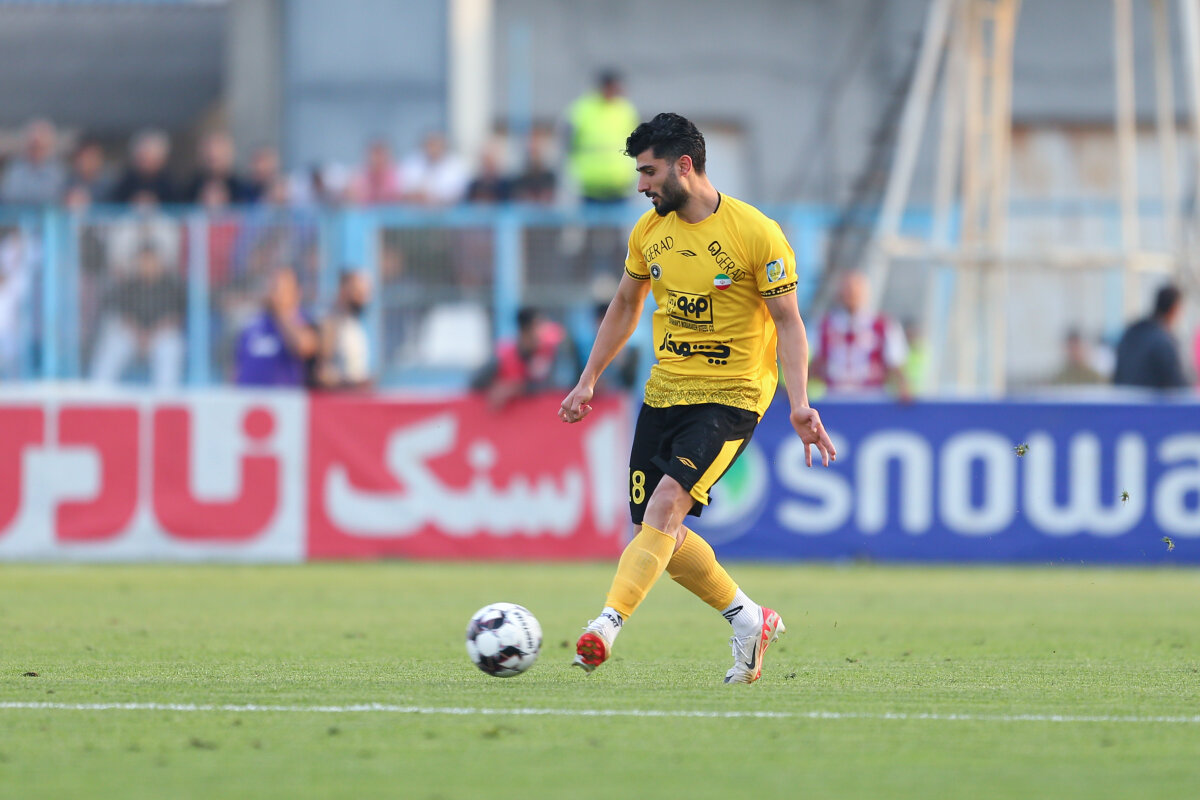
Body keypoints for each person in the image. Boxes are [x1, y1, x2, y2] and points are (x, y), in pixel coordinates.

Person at [558, 113, 836, 684]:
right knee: (657, 531)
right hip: (665, 391)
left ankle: (606, 625)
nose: (641, 185)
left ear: (684, 166)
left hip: (733, 395)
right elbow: (626, 305)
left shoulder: (756, 233)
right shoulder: (648, 232)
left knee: (665, 506)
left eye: (649, 172)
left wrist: (799, 402)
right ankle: (749, 619)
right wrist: (589, 378)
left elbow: (788, 321)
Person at [89, 244, 186, 388]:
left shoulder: (171, 285)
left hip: (160, 335)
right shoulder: (130, 285)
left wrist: (151, 334)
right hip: (133, 335)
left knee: (171, 346)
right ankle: (99, 390)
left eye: (151, 260)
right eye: (144, 261)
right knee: (114, 342)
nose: (148, 265)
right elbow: (123, 314)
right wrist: (140, 334)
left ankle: (166, 396)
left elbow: (175, 317)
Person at [811, 270, 911, 400]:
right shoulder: (824, 325)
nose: (852, 294)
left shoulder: (883, 325)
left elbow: (895, 363)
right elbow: (816, 363)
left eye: (856, 290)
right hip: (835, 398)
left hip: (872, 399)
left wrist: (903, 386)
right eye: (847, 290)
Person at [564, 70, 640, 204]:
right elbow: (567, 140)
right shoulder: (583, 109)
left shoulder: (626, 109)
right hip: (590, 184)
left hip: (620, 184)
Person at [234, 266, 318, 386]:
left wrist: (281, 316)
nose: (277, 294)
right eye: (274, 287)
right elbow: (237, 366)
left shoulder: (304, 321)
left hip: (285, 396)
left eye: (283, 289)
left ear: (296, 292)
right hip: (249, 395)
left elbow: (304, 347)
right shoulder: (254, 324)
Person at [471, 307, 567, 410]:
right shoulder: (503, 356)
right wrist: (496, 388)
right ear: (525, 330)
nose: (544, 332)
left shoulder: (551, 353)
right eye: (539, 326)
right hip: (509, 415)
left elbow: (556, 386)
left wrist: (514, 388)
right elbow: (476, 384)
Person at [1113, 283, 1187, 389]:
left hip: (1124, 397)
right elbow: (1178, 386)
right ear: (1174, 309)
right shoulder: (1164, 342)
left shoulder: (1130, 332)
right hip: (1150, 399)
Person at [314, 269, 372, 390]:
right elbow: (323, 373)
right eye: (358, 292)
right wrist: (349, 384)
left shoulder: (355, 323)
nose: (364, 298)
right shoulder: (331, 321)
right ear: (344, 290)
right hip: (340, 396)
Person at [0, 118, 66, 206]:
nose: (36, 151)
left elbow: (58, 199)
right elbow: (8, 196)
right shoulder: (14, 170)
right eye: (33, 147)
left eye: (40, 147)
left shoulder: (59, 173)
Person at [112, 129, 177, 206]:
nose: (146, 160)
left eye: (151, 156)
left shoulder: (170, 185)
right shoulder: (124, 183)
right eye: (142, 156)